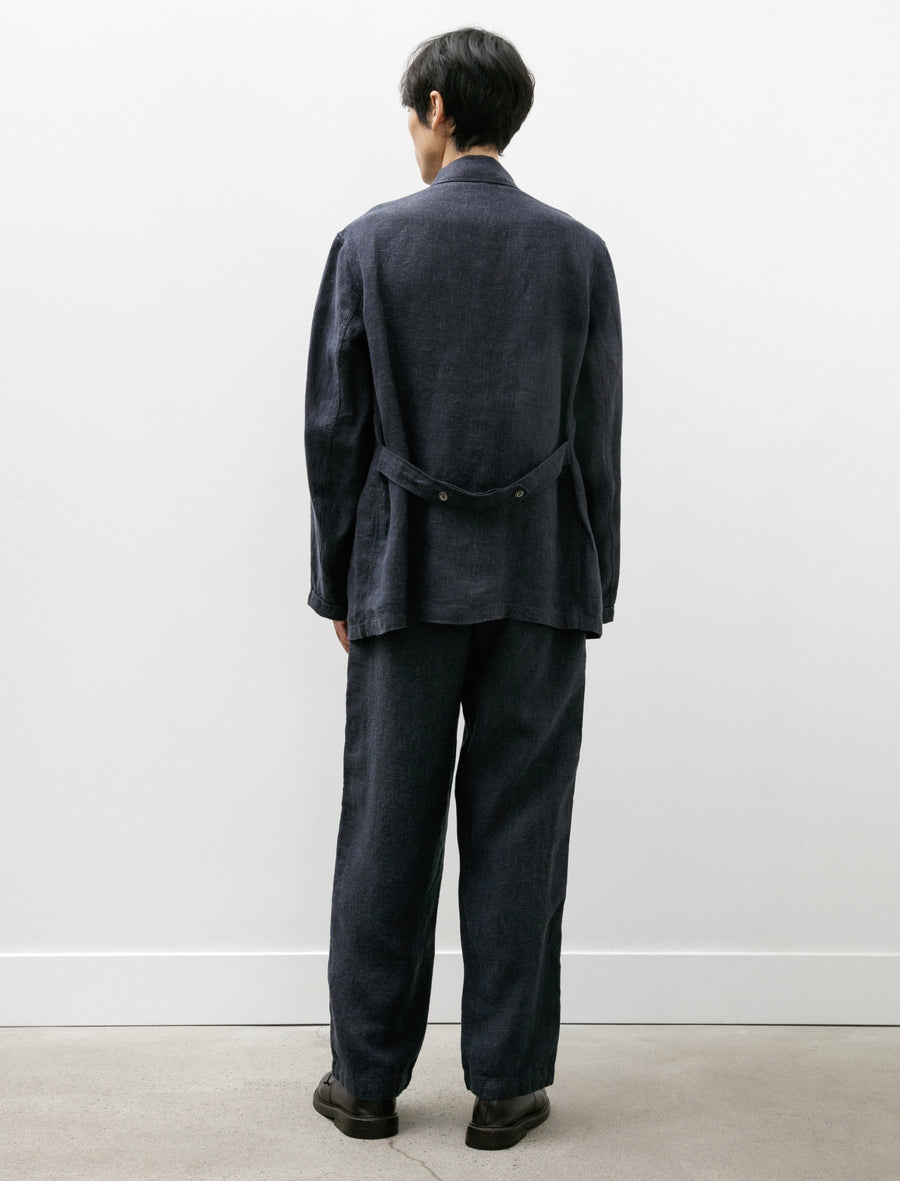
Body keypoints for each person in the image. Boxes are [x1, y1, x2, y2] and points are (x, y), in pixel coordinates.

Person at [305, 26, 622, 1151]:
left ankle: (366, 1082)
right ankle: (506, 1085)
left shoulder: (369, 244)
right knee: (523, 831)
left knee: (385, 830)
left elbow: (335, 429)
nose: (412, 132)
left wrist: (337, 580)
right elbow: (597, 433)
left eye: (412, 113)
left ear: (437, 107)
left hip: (404, 577)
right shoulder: (578, 252)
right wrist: (595, 578)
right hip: (541, 577)